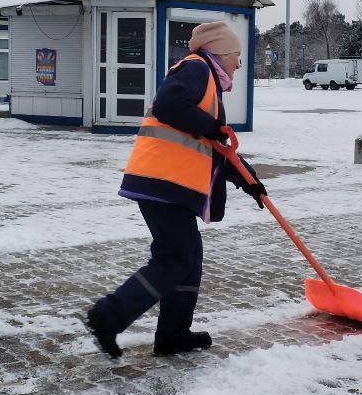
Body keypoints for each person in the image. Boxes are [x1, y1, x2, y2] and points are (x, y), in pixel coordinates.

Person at [86, 21, 266, 358]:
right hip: (162, 182)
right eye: (237, 56)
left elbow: (215, 148)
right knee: (174, 259)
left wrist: (250, 182)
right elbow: (169, 104)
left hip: (173, 185)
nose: (239, 64)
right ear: (221, 53)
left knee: (189, 259)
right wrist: (212, 127)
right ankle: (107, 316)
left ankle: (173, 334)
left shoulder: (208, 86)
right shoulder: (196, 69)